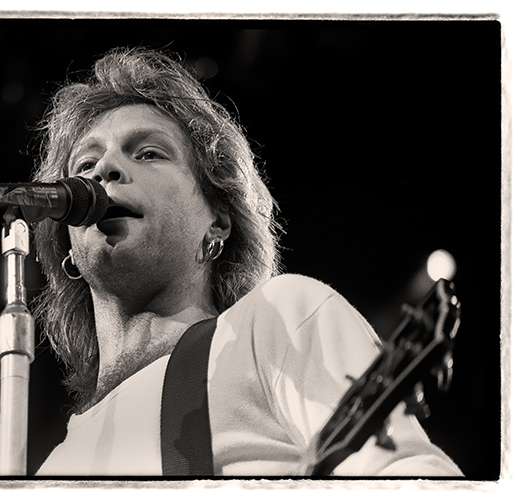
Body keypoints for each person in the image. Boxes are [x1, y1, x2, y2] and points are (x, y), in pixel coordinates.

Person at [28, 46, 462, 476]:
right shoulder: (54, 471)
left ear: (217, 222)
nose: (105, 169)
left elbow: (416, 476)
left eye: (148, 153)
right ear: (67, 242)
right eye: (85, 163)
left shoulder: (275, 322)